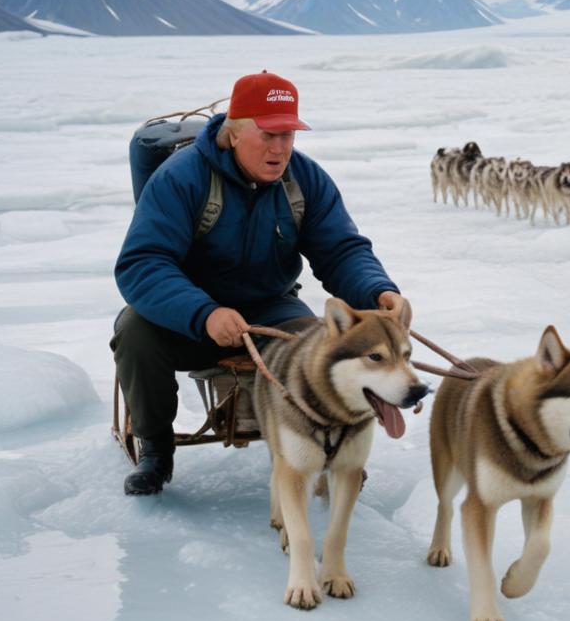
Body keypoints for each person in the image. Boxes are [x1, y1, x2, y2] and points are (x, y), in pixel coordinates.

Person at [112, 71, 407, 496]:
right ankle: (157, 454)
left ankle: (326, 449)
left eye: (288, 135)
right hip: (188, 312)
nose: (280, 148)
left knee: (321, 350)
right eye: (268, 135)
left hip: (270, 305)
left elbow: (341, 250)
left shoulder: (305, 180)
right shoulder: (181, 178)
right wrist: (204, 314)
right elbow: (143, 263)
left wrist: (377, 289)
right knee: (135, 334)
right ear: (233, 133)